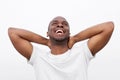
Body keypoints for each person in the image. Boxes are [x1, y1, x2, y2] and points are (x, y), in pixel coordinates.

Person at [8, 16, 114, 80]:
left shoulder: (82, 52)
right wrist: (46, 42)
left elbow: (108, 27)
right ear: (48, 33)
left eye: (64, 24)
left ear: (69, 33)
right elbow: (13, 32)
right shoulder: (38, 56)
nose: (60, 25)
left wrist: (76, 38)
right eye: (55, 24)